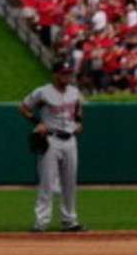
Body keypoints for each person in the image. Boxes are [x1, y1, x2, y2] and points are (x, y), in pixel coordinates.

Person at [18, 60, 86, 233]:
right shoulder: (43, 92)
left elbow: (77, 108)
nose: (67, 76)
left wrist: (78, 122)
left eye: (69, 73)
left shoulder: (74, 91)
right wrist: (36, 122)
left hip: (70, 139)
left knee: (70, 182)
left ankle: (69, 221)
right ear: (54, 74)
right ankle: (41, 221)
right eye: (63, 73)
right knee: (47, 181)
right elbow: (23, 107)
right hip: (51, 139)